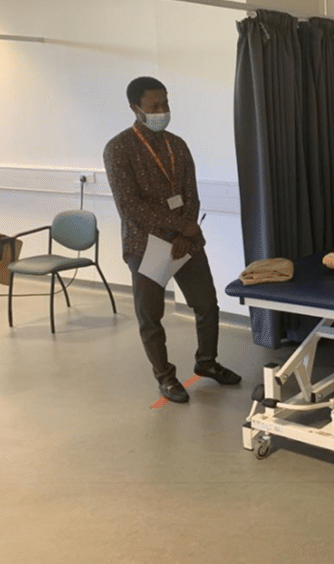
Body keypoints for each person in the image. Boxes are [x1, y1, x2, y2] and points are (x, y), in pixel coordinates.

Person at [103, 77, 241, 403]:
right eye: (154, 106)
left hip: (187, 240)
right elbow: (130, 206)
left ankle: (207, 363)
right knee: (151, 316)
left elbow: (190, 194)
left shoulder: (177, 144)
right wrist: (176, 232)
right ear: (135, 109)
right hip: (148, 244)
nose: (163, 110)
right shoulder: (119, 148)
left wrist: (184, 232)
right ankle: (165, 377)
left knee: (206, 304)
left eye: (166, 103)